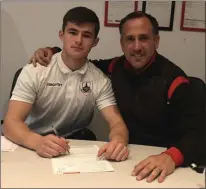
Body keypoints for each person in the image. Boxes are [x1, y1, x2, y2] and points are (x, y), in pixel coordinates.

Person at [30, 11, 205, 183]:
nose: (136, 47)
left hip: (165, 162)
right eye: (130, 39)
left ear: (156, 41)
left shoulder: (176, 80)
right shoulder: (116, 66)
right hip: (125, 155)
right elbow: (80, 63)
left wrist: (170, 157)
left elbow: (197, 134)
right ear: (122, 43)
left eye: (143, 38)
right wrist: (53, 51)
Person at [3, 7, 130, 161]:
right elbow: (10, 123)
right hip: (30, 142)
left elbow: (117, 123)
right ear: (61, 35)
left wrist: (118, 142)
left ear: (95, 42)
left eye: (87, 35)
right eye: (73, 32)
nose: (78, 40)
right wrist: (37, 142)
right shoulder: (35, 70)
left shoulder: (100, 80)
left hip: (71, 147)